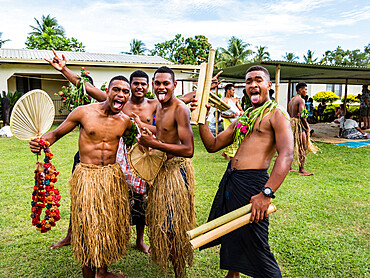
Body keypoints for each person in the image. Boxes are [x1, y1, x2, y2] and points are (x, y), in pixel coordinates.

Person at [45, 50, 196, 253]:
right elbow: (87, 88)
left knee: (141, 198)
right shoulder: (120, 101)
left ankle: (139, 240)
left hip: (141, 158)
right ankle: (73, 234)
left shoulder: (154, 104)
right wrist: (64, 69)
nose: (140, 87)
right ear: (130, 86)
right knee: (85, 199)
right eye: (136, 83)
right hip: (113, 157)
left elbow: (177, 101)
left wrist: (202, 92)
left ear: (148, 87)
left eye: (144, 84)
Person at [29, 74, 133, 278]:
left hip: (111, 178)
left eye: (125, 91)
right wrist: (39, 143)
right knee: (86, 226)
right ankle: (88, 273)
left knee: (107, 225)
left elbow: (135, 147)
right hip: (87, 177)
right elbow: (55, 135)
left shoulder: (126, 122)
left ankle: (102, 272)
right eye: (116, 90)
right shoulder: (83, 113)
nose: (121, 94)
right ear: (107, 91)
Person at [198, 65, 293, 278]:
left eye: (258, 80)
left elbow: (286, 155)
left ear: (269, 85)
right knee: (233, 234)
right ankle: (232, 275)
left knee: (257, 243)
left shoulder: (277, 115)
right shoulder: (245, 116)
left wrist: (266, 193)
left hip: (253, 184)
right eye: (249, 81)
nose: (252, 85)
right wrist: (202, 118)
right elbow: (213, 145)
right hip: (232, 181)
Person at [133, 66, 195, 278]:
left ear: (174, 85)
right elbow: (163, 132)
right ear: (153, 85)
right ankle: (168, 260)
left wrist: (154, 144)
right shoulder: (159, 106)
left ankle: (180, 273)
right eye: (157, 83)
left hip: (175, 172)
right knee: (162, 223)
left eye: (165, 83)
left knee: (174, 227)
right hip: (161, 172)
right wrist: (143, 127)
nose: (161, 87)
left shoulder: (180, 108)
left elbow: (189, 149)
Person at [288, 82, 318, 176]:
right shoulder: (300, 100)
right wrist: (307, 127)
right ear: (300, 90)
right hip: (298, 124)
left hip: (291, 123)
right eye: (305, 89)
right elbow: (302, 115)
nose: (306, 91)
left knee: (291, 146)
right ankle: (302, 170)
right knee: (302, 146)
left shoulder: (292, 100)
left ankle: (289, 167)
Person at [221, 84, 243, 160]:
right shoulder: (224, 101)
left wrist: (241, 113)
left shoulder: (235, 99)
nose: (234, 91)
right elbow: (222, 114)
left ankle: (226, 153)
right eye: (233, 90)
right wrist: (230, 116)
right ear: (228, 90)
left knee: (235, 136)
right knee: (229, 137)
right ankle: (230, 154)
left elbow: (240, 109)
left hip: (235, 120)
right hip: (227, 121)